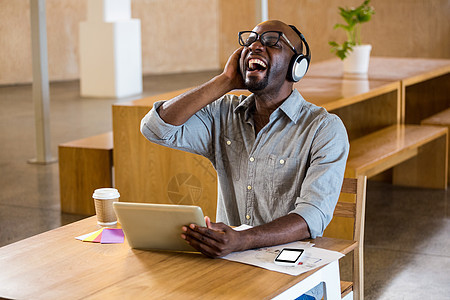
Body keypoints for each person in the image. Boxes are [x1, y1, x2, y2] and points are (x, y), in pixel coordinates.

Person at [141, 19, 348, 262]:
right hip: (229, 261)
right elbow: (155, 128)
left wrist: (244, 239)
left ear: (296, 67)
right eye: (249, 42)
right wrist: (225, 81)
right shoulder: (223, 114)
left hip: (290, 266)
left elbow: (312, 216)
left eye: (272, 42)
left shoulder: (323, 128)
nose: (255, 47)